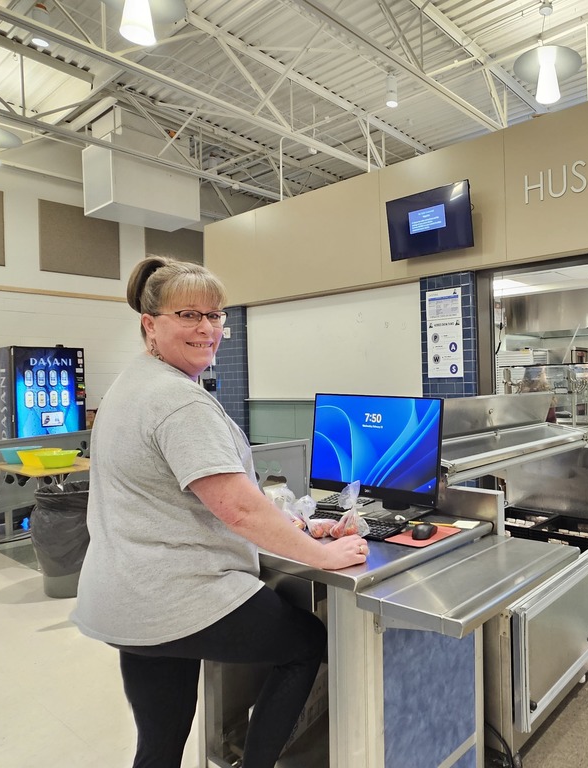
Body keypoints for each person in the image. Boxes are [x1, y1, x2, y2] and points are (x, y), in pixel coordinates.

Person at [71, 256, 368, 768]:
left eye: (215, 315)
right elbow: (238, 509)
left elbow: (182, 498)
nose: (206, 328)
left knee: (159, 745)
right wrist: (322, 555)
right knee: (305, 644)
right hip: (176, 597)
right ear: (150, 324)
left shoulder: (130, 385)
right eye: (188, 315)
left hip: (125, 598)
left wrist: (297, 525)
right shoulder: (179, 402)